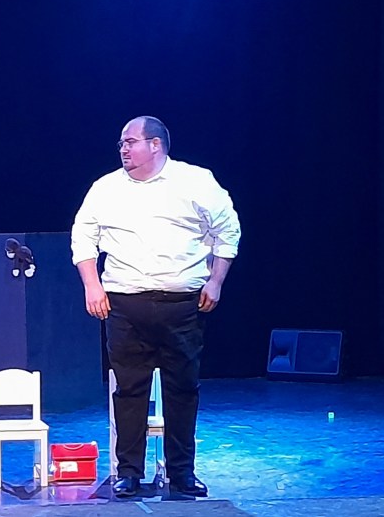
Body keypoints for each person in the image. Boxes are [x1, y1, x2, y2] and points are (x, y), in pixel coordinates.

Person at [71, 116, 241, 498]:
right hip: (125, 304)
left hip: (182, 304)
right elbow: (83, 237)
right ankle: (128, 472)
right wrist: (92, 285)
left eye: (130, 142)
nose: (123, 149)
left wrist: (215, 280)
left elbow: (228, 230)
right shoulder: (106, 188)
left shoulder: (195, 181)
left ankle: (182, 472)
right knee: (129, 390)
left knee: (183, 389)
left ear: (155, 145)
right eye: (121, 143)